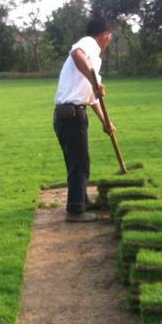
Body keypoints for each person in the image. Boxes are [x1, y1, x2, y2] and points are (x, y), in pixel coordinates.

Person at [53, 16, 115, 222]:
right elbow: (76, 53)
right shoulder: (88, 44)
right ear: (105, 35)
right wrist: (93, 80)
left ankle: (82, 201)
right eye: (110, 36)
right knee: (79, 163)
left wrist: (105, 121)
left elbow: (92, 98)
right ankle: (75, 211)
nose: (110, 40)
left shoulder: (94, 60)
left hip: (70, 114)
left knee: (77, 162)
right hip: (71, 115)